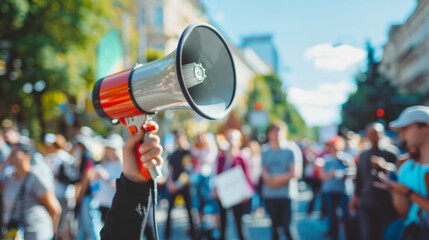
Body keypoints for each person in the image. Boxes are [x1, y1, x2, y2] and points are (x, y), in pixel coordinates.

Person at [100, 121, 163, 239]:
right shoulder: (104, 163)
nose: (108, 150)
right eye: (107, 148)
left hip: (124, 207)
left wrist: (134, 180)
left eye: (110, 148)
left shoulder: (120, 164)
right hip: (107, 206)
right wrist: (133, 181)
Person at [374, 106, 429, 240]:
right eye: (400, 130)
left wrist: (406, 192)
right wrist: (394, 188)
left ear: (426, 126)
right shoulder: (405, 166)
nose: (401, 134)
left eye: (405, 128)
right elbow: (403, 211)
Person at [1, 140, 62, 240]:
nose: (11, 155)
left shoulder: (35, 177)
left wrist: (52, 231)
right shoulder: (8, 177)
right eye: (10, 153)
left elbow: (55, 209)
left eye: (15, 152)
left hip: (37, 234)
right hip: (14, 234)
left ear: (27, 156)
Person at [350, 123, 398, 240]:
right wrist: (356, 195)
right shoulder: (364, 154)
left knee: (385, 233)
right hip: (366, 201)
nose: (374, 137)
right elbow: (359, 177)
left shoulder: (390, 153)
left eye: (376, 134)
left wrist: (385, 166)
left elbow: (398, 173)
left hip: (385, 201)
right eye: (371, 134)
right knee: (368, 234)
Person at [261, 122, 302, 240]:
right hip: (270, 196)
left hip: (287, 195)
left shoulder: (291, 149)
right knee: (274, 230)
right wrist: (281, 177)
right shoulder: (265, 151)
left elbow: (295, 173)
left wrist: (273, 179)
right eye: (274, 131)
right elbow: (265, 175)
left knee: (288, 228)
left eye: (279, 130)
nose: (276, 134)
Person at [215, 128, 253, 240]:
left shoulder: (241, 158)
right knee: (223, 226)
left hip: (238, 197)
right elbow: (217, 175)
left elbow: (247, 178)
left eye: (233, 138)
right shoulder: (221, 158)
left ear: (239, 141)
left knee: (239, 225)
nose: (231, 141)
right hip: (223, 196)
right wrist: (215, 189)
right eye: (229, 138)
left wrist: (246, 193)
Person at [319, 136, 354, 240]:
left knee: (346, 216)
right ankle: (334, 236)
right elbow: (322, 176)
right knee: (332, 216)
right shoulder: (326, 160)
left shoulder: (346, 158)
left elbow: (353, 172)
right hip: (330, 190)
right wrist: (331, 174)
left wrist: (344, 173)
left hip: (344, 191)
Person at [164, 129, 196, 239]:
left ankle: (193, 233)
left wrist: (178, 184)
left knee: (189, 211)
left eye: (179, 137)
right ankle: (166, 235)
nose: (178, 139)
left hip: (185, 186)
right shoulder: (173, 154)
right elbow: (170, 170)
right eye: (176, 137)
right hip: (174, 186)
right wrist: (169, 183)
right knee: (169, 211)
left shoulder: (188, 153)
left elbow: (188, 171)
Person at [43, 133, 76, 240]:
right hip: (65, 193)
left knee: (60, 223)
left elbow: (54, 175)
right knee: (65, 222)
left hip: (60, 193)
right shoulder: (66, 156)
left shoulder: (57, 157)